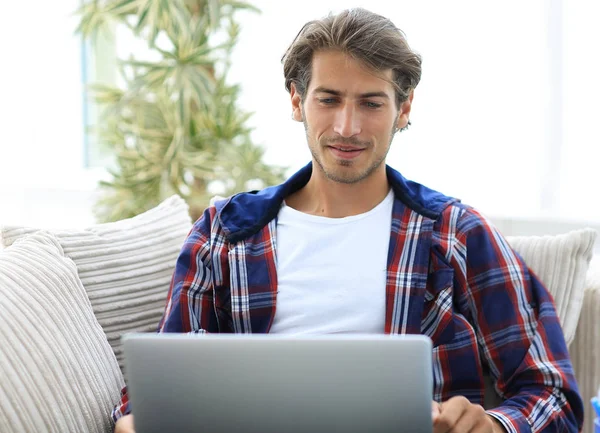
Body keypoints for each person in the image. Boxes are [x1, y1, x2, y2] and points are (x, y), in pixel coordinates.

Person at [113, 8, 583, 433]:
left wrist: (497, 427)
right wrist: (136, 421)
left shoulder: (457, 233)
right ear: (297, 101)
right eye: (329, 99)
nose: (347, 128)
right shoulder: (224, 233)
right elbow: (160, 386)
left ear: (404, 109)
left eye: (372, 103)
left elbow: (553, 394)